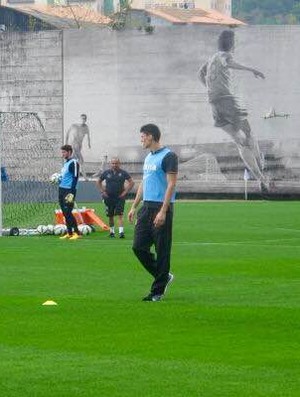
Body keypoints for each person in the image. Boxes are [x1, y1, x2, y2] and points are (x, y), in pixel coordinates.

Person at [198, 30, 269, 193]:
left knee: (240, 142)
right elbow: (227, 61)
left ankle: (260, 178)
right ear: (232, 44)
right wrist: (252, 69)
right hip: (226, 100)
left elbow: (199, 74)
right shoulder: (224, 55)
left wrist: (211, 89)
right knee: (250, 134)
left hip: (214, 104)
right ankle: (260, 163)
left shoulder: (210, 59)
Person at [128, 124, 178, 302]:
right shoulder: (148, 157)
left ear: (151, 136)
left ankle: (157, 292)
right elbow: (144, 182)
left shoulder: (169, 156)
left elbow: (171, 184)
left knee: (162, 250)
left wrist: (163, 211)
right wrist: (134, 206)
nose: (141, 140)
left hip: (161, 207)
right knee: (138, 247)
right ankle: (164, 276)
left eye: (142, 136)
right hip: (146, 207)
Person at [97, 157, 134, 238]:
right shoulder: (106, 172)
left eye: (116, 163)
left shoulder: (123, 173)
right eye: (113, 163)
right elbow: (98, 181)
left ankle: (121, 233)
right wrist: (103, 191)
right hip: (108, 197)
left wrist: (125, 192)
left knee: (119, 215)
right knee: (110, 215)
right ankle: (112, 232)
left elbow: (131, 182)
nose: (114, 165)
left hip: (119, 197)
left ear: (119, 164)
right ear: (110, 164)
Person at [58, 144, 81, 240]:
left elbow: (75, 178)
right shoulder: (65, 164)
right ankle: (69, 232)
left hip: (69, 190)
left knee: (68, 211)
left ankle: (77, 232)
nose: (62, 154)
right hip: (61, 189)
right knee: (64, 212)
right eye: (62, 152)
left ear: (69, 152)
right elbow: (64, 177)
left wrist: (71, 192)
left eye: (64, 152)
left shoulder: (74, 163)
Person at [65, 114, 91, 180]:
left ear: (86, 119)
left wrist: (89, 144)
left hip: (79, 146)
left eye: (84, 119)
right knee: (81, 160)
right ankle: (85, 177)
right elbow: (67, 134)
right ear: (80, 119)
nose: (83, 120)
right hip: (73, 145)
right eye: (82, 118)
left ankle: (71, 175)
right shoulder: (74, 126)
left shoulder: (85, 127)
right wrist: (66, 144)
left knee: (73, 160)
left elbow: (88, 136)